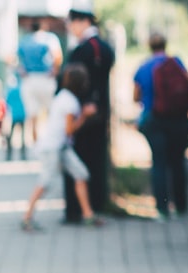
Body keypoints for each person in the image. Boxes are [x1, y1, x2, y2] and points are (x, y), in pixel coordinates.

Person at [21, 64, 101, 231]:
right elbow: (69, 129)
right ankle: (27, 217)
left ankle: (88, 214)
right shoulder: (70, 102)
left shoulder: (63, 96)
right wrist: (85, 116)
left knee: (81, 174)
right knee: (46, 180)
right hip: (53, 147)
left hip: (61, 146)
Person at [134, 33, 188, 219]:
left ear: (149, 46)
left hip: (155, 120)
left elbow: (135, 96)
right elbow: (187, 86)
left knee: (159, 163)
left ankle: (162, 210)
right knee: (178, 162)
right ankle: (181, 207)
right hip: (179, 119)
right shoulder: (177, 62)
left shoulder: (144, 66)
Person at [63, 3, 114, 223]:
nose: (70, 27)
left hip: (79, 115)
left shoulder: (82, 49)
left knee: (77, 162)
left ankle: (76, 210)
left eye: (72, 22)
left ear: (84, 21)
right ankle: (95, 204)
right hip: (101, 114)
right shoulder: (105, 48)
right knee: (96, 159)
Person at [16, 20, 62, 144]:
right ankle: (50, 141)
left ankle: (36, 144)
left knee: (33, 115)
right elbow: (57, 56)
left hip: (29, 79)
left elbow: (13, 58)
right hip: (46, 78)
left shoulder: (25, 40)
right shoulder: (49, 38)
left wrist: (21, 71)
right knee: (50, 112)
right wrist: (55, 70)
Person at [4, 75, 28, 161]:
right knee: (23, 136)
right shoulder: (22, 90)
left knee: (10, 136)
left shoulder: (10, 91)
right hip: (22, 115)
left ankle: (9, 155)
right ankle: (23, 155)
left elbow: (7, 102)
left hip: (14, 115)